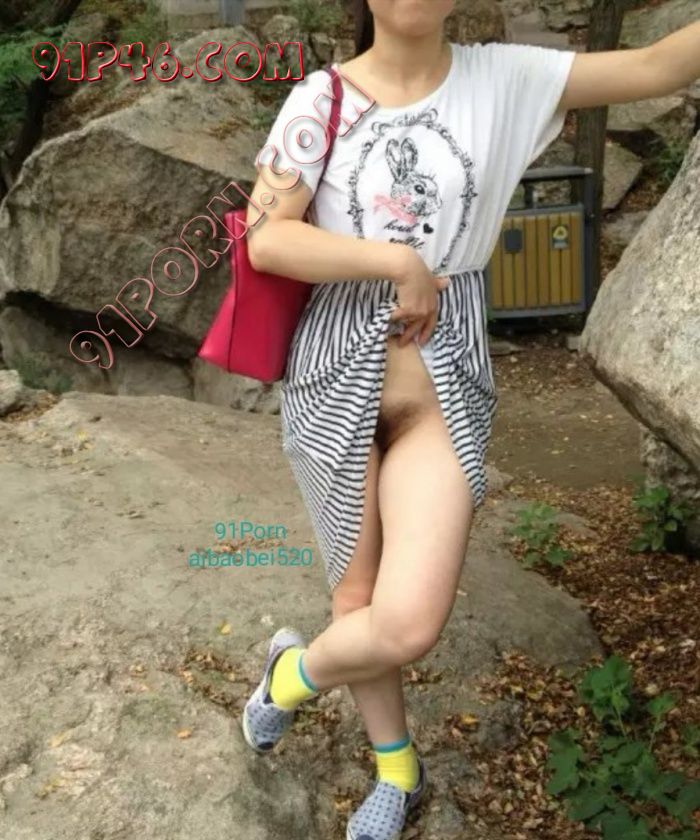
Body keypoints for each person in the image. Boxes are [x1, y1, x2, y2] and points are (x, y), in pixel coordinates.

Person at [240, 2, 700, 838]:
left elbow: (659, 66)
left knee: (408, 621)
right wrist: (396, 261)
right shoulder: (322, 99)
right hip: (334, 380)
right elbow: (267, 238)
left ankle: (289, 676)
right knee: (356, 596)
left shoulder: (505, 80)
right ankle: (397, 770)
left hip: (443, 385)